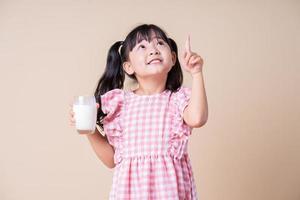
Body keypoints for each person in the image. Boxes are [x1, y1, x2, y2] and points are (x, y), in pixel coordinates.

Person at [69, 23, 208, 200]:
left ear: (173, 58)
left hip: (170, 193)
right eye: (142, 46)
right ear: (128, 67)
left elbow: (197, 119)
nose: (153, 50)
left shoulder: (178, 98)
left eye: (159, 43)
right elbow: (111, 160)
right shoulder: (120, 103)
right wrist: (89, 129)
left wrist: (197, 73)